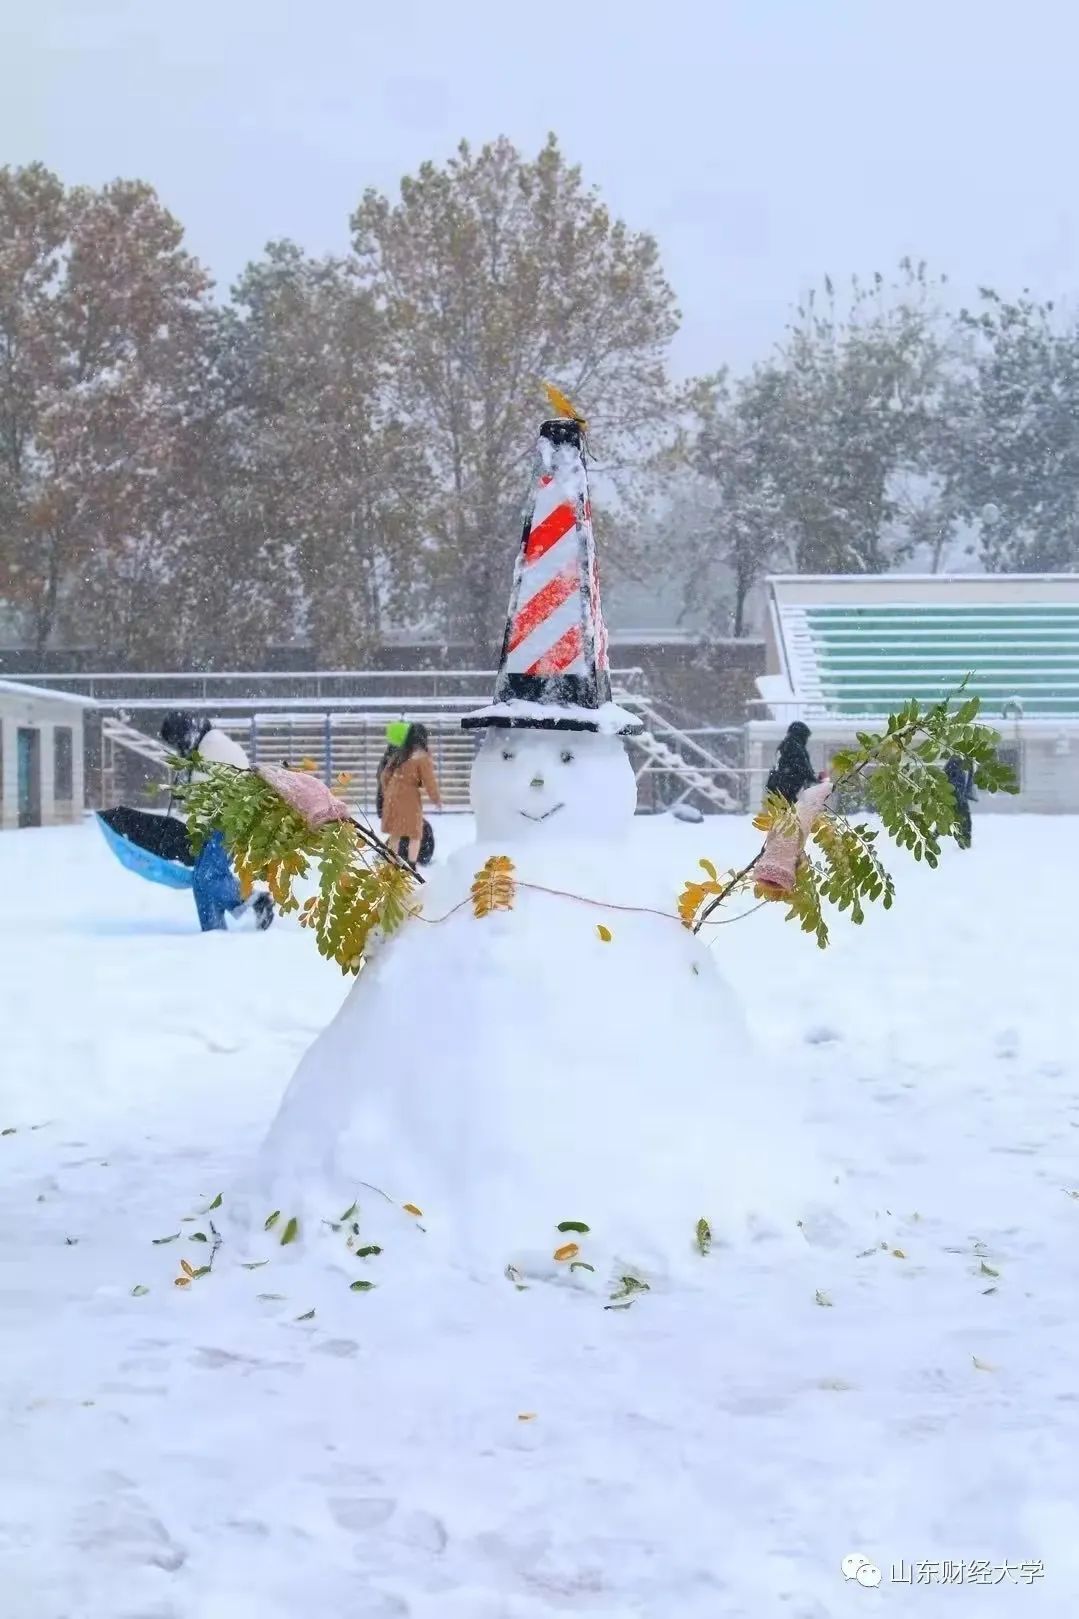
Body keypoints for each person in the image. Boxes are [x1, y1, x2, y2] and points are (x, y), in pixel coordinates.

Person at [160, 710, 274, 932]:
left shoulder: (212, 748)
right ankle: (213, 934)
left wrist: (183, 834)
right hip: (222, 821)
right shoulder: (206, 744)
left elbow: (203, 800)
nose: (177, 749)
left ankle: (255, 900)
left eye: (176, 743)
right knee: (201, 881)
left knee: (208, 876)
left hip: (230, 822)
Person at [379, 722, 443, 867]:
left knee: (396, 832)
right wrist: (436, 799)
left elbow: (384, 775)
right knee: (415, 832)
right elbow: (429, 781)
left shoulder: (400, 753)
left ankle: (392, 863)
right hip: (408, 795)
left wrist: (388, 791)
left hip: (392, 794)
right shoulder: (421, 756)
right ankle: (412, 864)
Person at [766, 720, 820, 806]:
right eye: (805, 736)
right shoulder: (795, 746)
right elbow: (802, 765)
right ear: (801, 735)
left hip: (779, 788)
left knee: (788, 812)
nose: (806, 739)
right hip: (785, 789)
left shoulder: (785, 745)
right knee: (792, 813)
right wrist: (814, 779)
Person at [944, 756, 974, 849]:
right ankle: (964, 838)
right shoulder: (954, 768)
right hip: (957, 799)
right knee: (963, 820)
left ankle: (964, 838)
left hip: (956, 799)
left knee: (952, 820)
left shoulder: (952, 768)